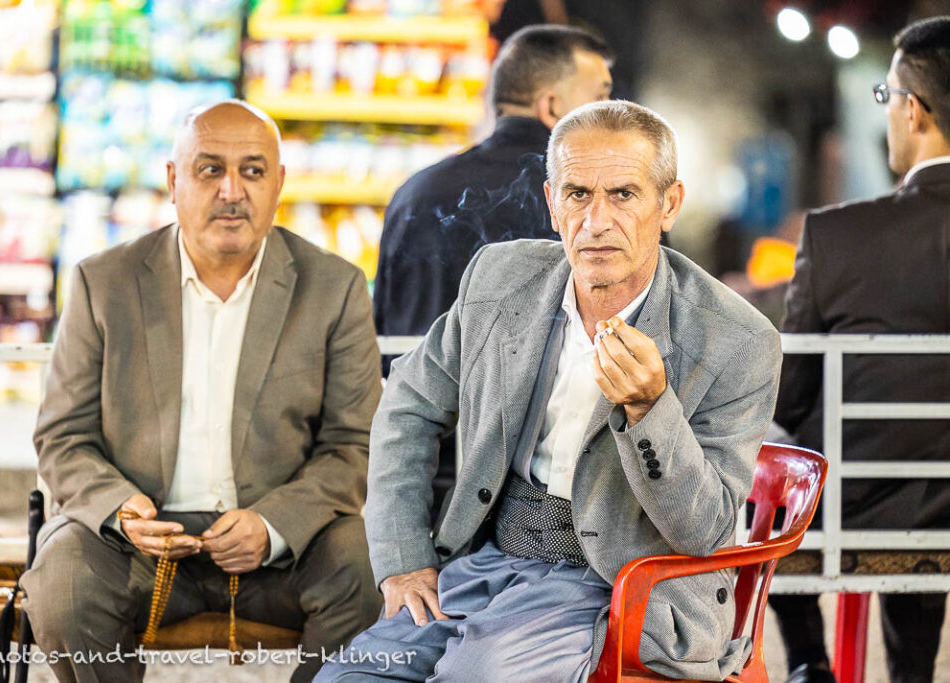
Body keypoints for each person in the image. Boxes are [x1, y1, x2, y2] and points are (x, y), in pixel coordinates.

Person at [316, 100, 782, 682]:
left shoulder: (735, 338)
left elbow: (704, 530)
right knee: (349, 676)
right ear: (552, 203)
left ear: (669, 204)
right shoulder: (501, 278)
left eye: (624, 194)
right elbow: (408, 404)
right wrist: (404, 560)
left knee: (472, 677)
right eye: (578, 194)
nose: (597, 221)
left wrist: (649, 410)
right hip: (487, 564)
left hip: (621, 586)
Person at [21, 101, 383, 683]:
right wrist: (120, 510)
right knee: (63, 585)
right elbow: (63, 436)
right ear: (173, 180)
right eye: (210, 169)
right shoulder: (104, 283)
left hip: (280, 547)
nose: (231, 191)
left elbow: (353, 443)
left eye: (253, 171)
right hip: (137, 542)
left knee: (366, 569)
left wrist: (273, 525)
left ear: (279, 183)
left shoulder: (333, 288)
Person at [769, 16, 950, 683]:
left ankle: (808, 661)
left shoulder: (838, 237)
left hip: (852, 507)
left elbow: (790, 395)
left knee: (768, 460)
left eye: (887, 96)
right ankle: (912, 671)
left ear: (914, 110)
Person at [373, 24, 613, 515]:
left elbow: (386, 340)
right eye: (601, 99)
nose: (613, 118)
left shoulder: (415, 193)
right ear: (552, 107)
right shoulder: (599, 207)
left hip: (420, 466)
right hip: (540, 485)